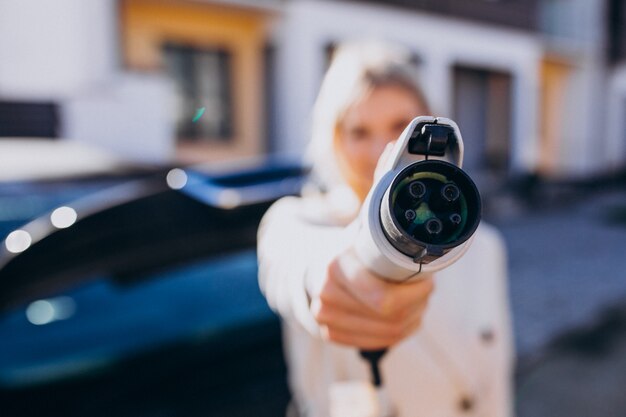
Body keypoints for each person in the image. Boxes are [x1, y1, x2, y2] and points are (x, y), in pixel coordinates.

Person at [257, 41, 514, 417]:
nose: (381, 150)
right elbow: (291, 261)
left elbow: (496, 383)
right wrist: (325, 282)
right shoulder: (299, 220)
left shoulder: (482, 246)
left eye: (398, 127)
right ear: (334, 141)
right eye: (359, 131)